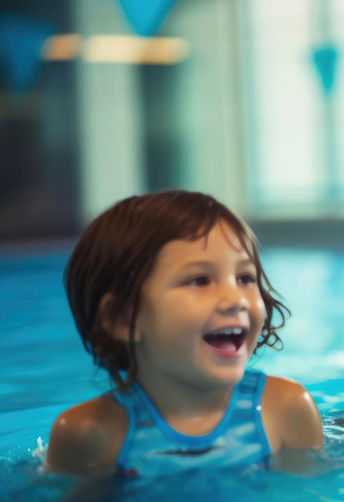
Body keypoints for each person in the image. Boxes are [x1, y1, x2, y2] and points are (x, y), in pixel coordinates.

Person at [47, 191, 323, 476]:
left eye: (245, 278)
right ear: (121, 318)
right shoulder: (91, 434)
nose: (236, 299)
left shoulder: (285, 409)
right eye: (200, 280)